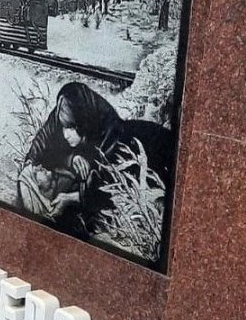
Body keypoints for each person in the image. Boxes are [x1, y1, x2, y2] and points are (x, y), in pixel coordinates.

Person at [15, 82, 170, 237]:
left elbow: (107, 188)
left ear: (83, 124)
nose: (64, 134)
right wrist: (32, 166)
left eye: (70, 128)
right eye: (63, 127)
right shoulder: (65, 110)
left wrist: (71, 198)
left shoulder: (111, 132)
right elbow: (43, 141)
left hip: (155, 149)